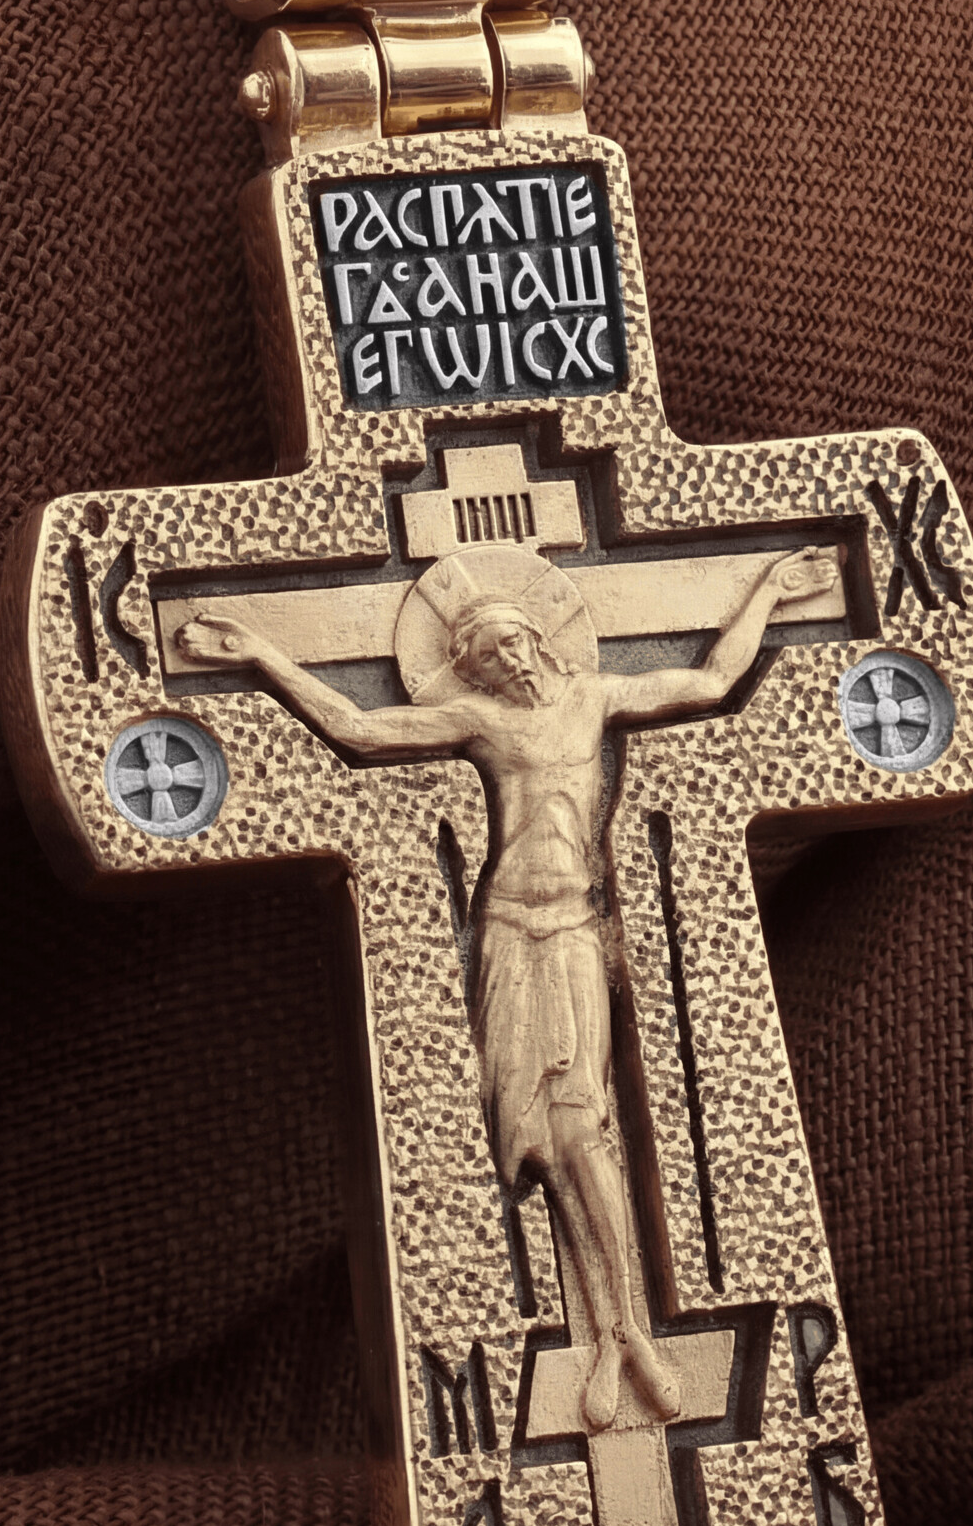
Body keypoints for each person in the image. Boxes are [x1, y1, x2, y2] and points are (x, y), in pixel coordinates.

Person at [180, 546, 836, 1431]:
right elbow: (360, 731)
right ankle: (610, 1336)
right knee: (532, 1140)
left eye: (514, 643)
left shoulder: (595, 698)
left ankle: (627, 1333)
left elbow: (713, 680)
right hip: (505, 933)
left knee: (584, 1128)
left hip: (571, 930)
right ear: (471, 670)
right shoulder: (477, 720)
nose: (509, 661)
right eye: (488, 655)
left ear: (541, 639)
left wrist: (769, 593)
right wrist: (263, 656)